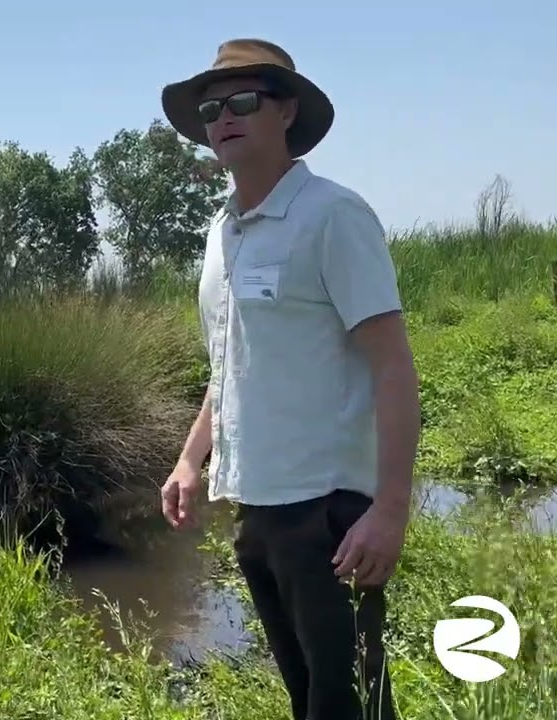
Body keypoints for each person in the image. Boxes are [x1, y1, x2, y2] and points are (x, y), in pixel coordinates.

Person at [157, 39, 422, 720]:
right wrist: (191, 462)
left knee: (349, 702)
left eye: (246, 100)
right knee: (312, 698)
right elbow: (233, 367)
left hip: (327, 509)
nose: (225, 116)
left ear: (287, 112)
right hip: (258, 507)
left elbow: (391, 363)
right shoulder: (223, 235)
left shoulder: (332, 216)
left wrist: (389, 509)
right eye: (213, 108)